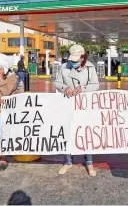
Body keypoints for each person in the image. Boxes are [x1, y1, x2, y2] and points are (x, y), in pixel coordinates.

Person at [55, 44, 99, 177]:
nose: (72, 63)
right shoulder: (64, 67)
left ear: (83, 58)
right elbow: (57, 83)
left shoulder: (90, 67)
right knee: (67, 132)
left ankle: (89, 162)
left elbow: (96, 85)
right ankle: (68, 161)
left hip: (84, 105)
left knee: (86, 133)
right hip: (67, 104)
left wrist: (83, 89)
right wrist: (65, 88)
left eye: (75, 60)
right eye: (71, 60)